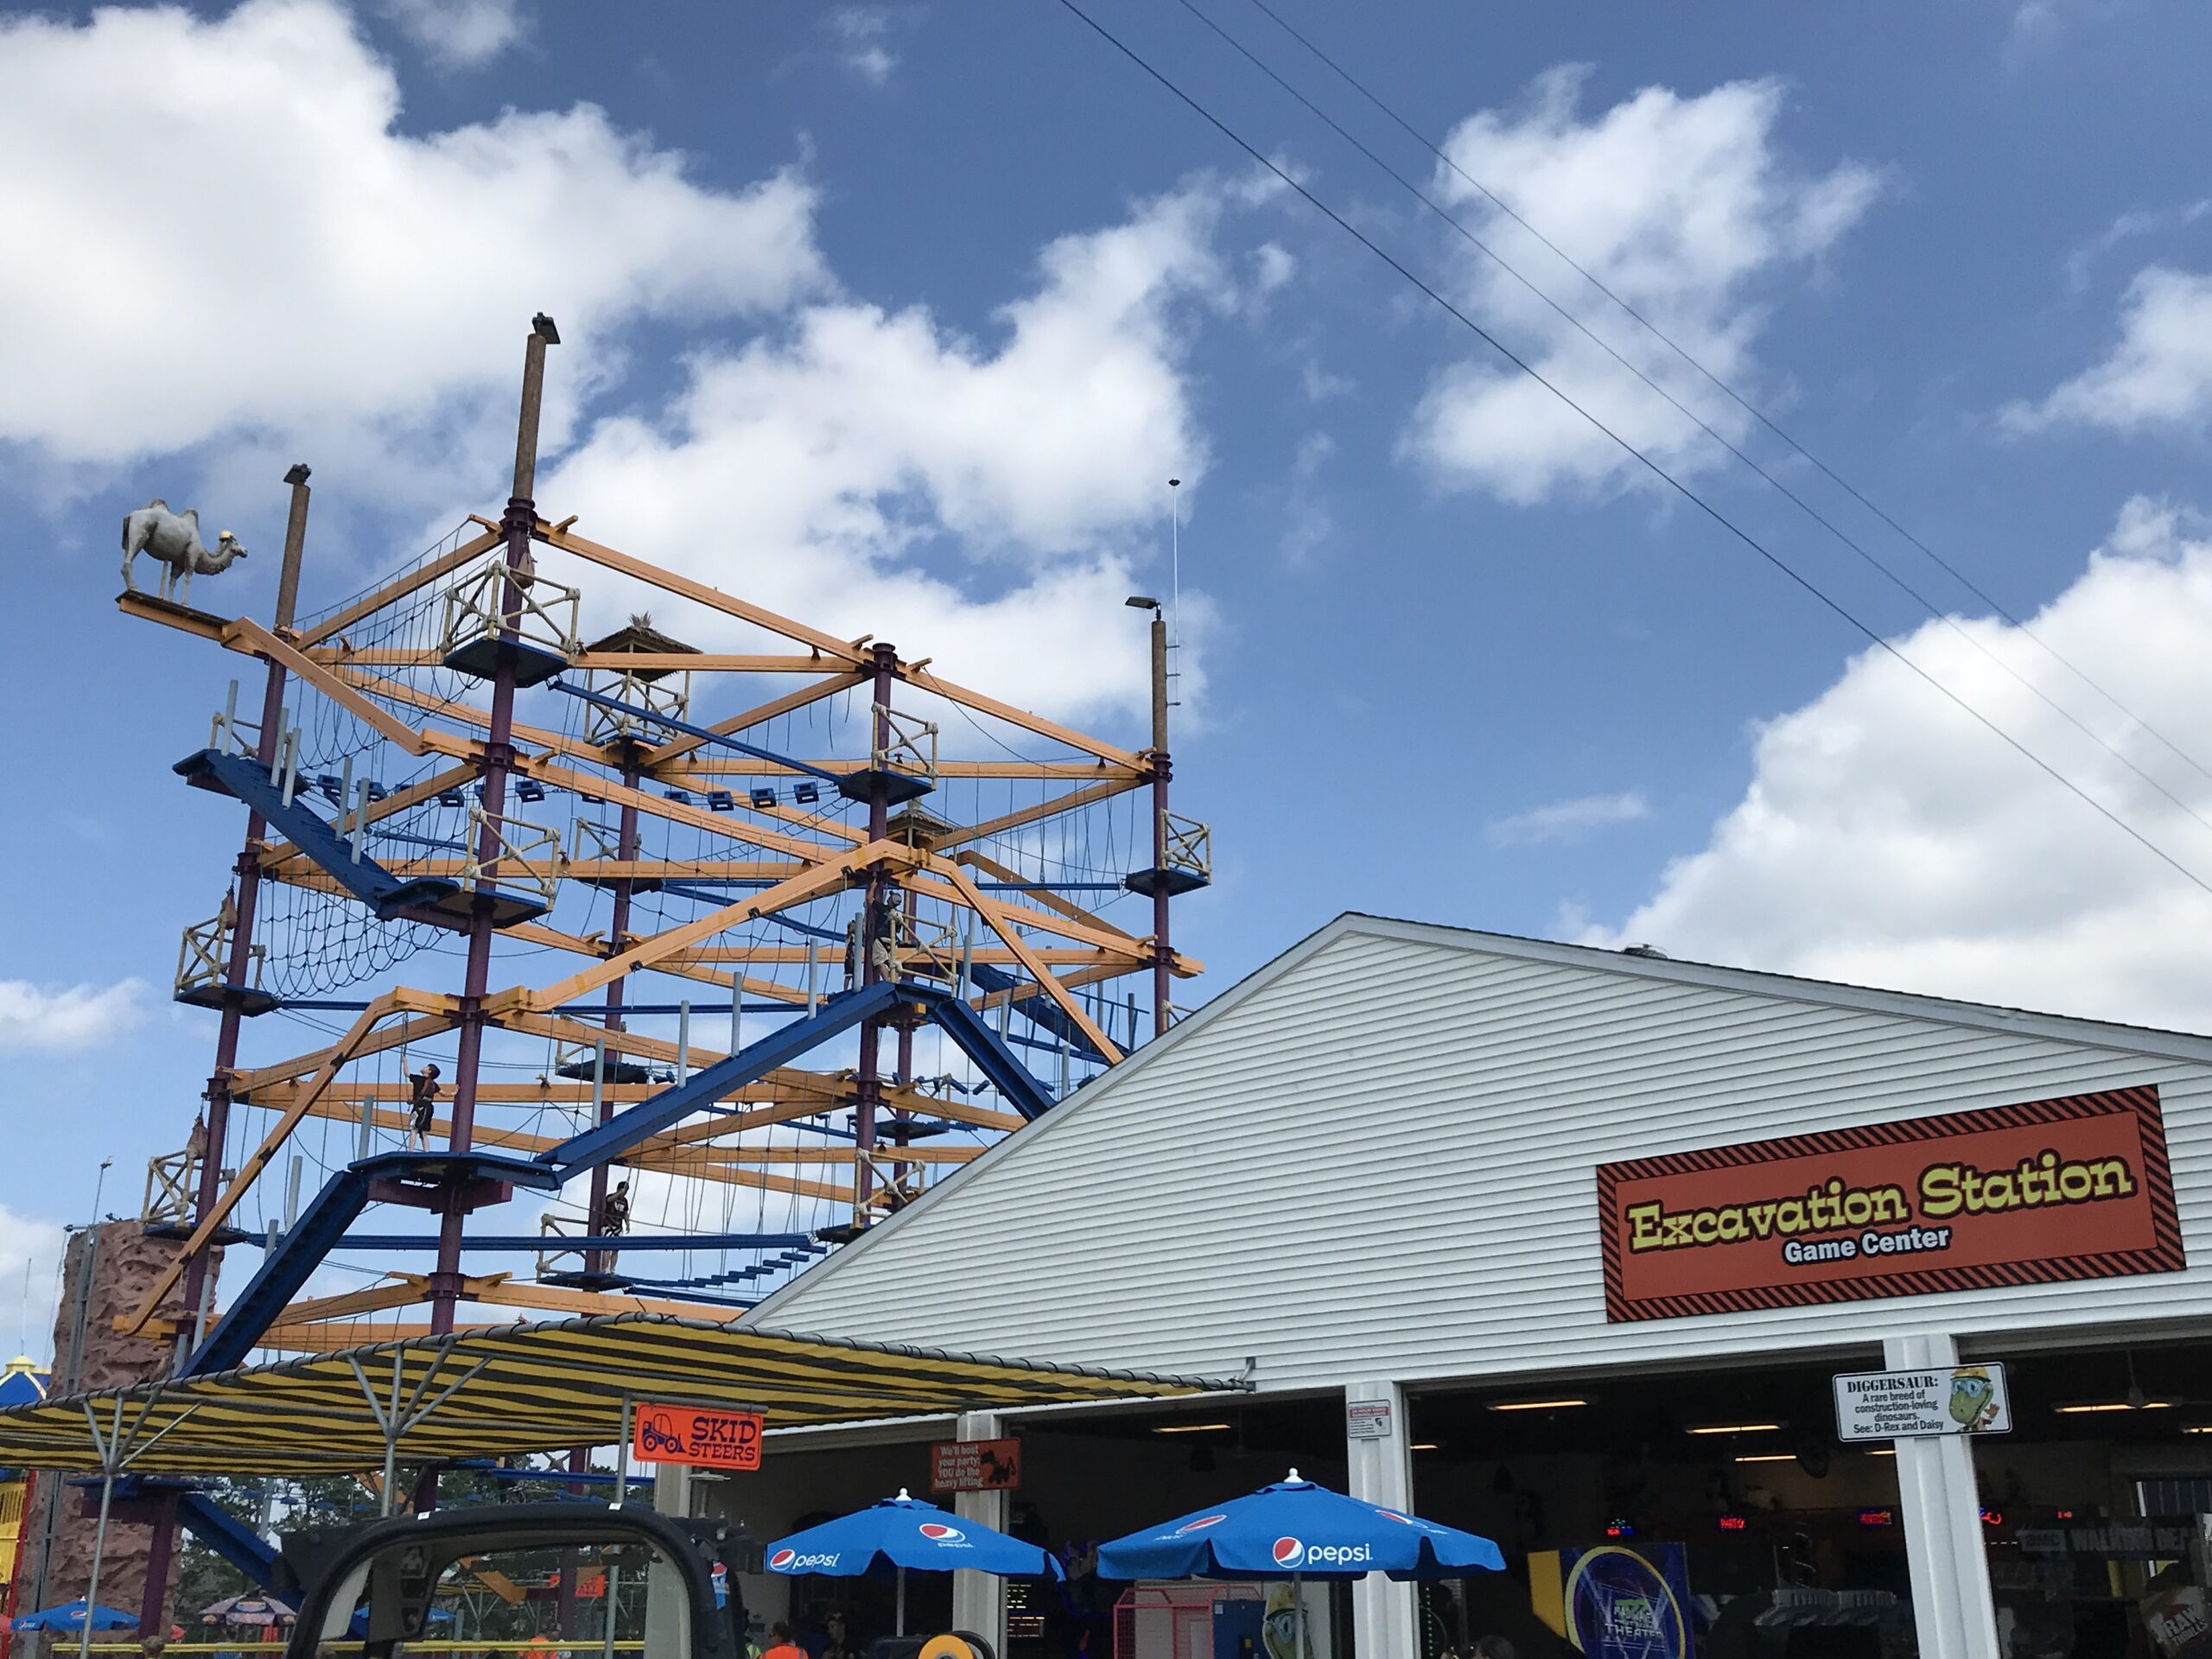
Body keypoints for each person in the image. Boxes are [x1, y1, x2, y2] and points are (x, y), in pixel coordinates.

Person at [408, 1062, 442, 1151]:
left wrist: (405, 1062)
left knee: (413, 1129)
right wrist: (454, 1093)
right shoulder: (433, 1084)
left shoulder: (418, 1079)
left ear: (429, 1071)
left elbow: (407, 1073)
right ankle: (427, 1151)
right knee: (424, 1132)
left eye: (426, 1067)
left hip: (419, 1106)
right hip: (429, 1107)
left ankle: (411, 1150)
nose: (424, 1067)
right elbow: (443, 1093)